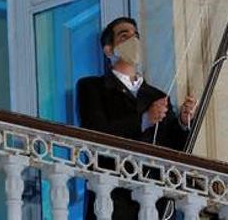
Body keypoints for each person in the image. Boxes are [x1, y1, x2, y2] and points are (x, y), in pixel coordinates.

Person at [77, 17, 198, 220]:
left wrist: (184, 122)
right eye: (124, 36)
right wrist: (143, 120)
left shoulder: (157, 95)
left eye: (136, 36)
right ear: (108, 50)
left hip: (153, 204)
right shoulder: (92, 87)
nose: (133, 40)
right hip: (114, 201)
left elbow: (175, 150)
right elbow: (96, 132)